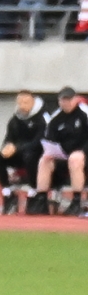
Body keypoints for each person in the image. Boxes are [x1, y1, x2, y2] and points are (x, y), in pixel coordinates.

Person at [33, 86, 88, 215]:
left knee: (75, 159)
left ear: (75, 100)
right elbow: (49, 138)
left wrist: (83, 151)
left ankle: (76, 200)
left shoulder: (84, 115)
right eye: (63, 100)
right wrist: (50, 151)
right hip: (62, 155)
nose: (65, 103)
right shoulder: (56, 119)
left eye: (68, 100)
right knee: (44, 160)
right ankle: (42, 199)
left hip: (82, 154)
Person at [0, 90, 47, 213]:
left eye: (26, 102)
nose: (22, 105)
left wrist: (17, 148)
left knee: (30, 156)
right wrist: (6, 147)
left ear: (33, 102)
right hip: (19, 153)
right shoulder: (15, 119)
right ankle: (8, 191)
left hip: (38, 154)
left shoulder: (42, 118)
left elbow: (39, 141)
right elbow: (9, 138)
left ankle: (33, 191)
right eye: (20, 102)